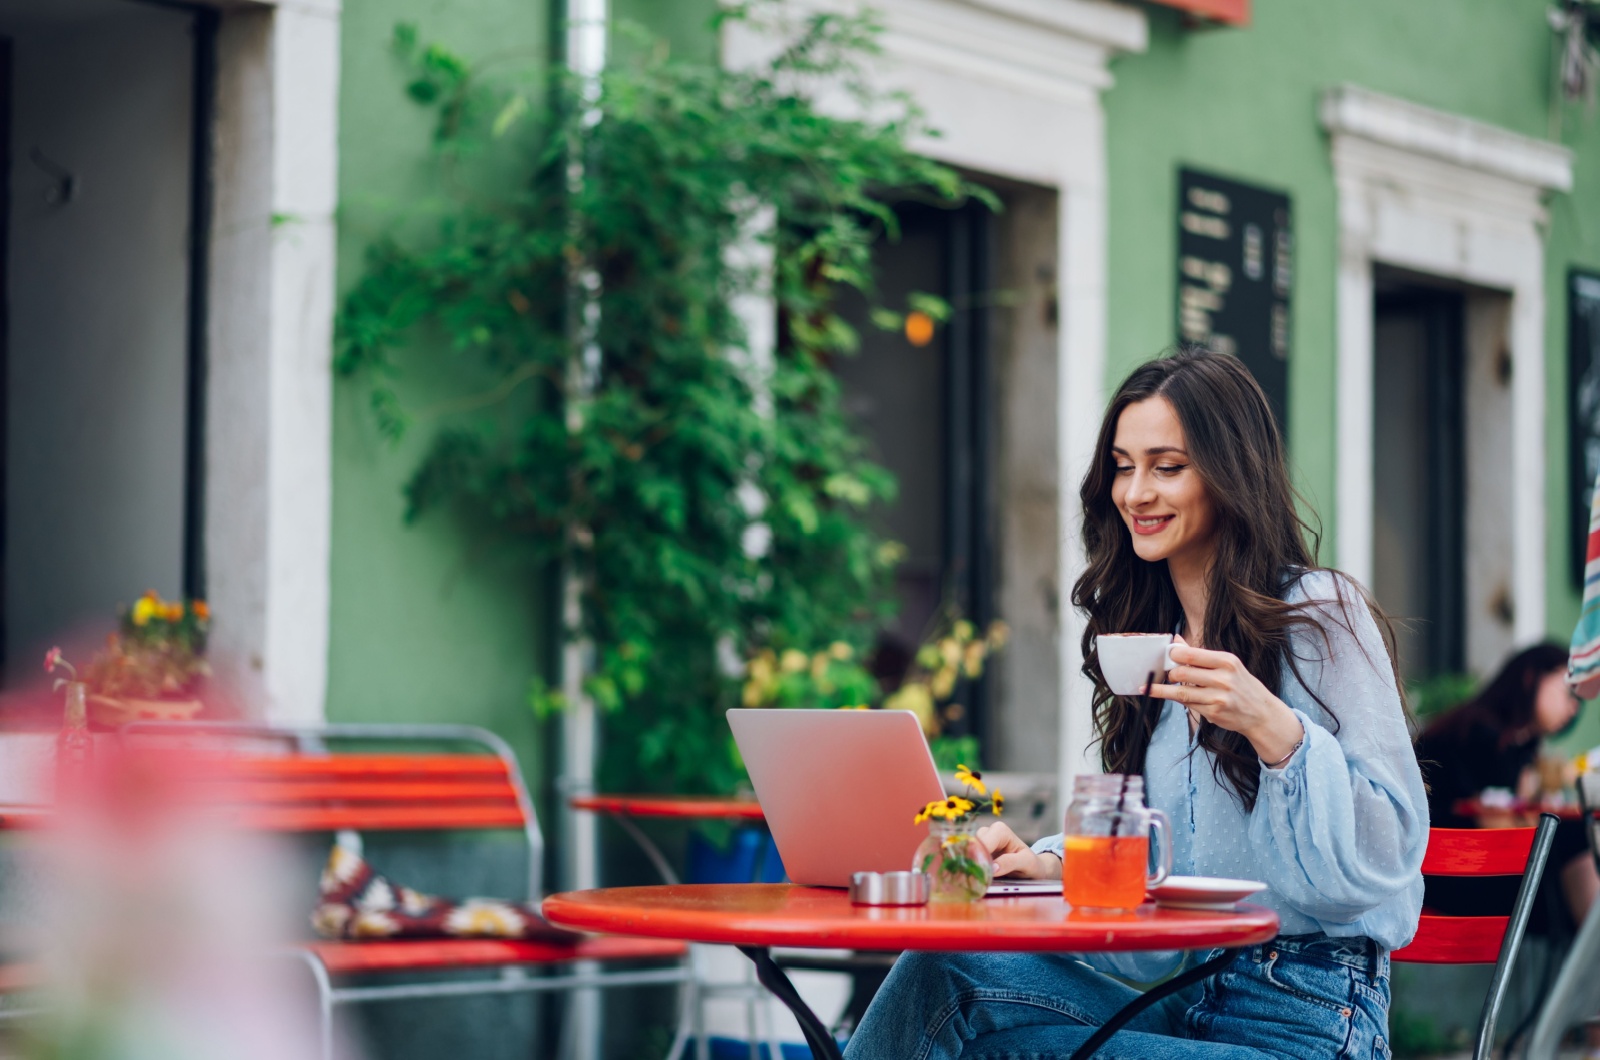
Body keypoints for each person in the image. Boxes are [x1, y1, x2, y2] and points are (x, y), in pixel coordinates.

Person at [843, 348, 1428, 1060]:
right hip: (1179, 1000)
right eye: (1123, 466)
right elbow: (1155, 871)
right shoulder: (1151, 646)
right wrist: (1049, 865)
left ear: (1230, 473)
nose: (1136, 493)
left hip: (1308, 1017)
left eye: (1167, 466)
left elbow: (1389, 852)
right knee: (941, 970)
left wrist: (1274, 728)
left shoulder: (1317, 613)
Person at [1414, 642, 1597, 944]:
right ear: (1530, 677)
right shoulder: (1480, 734)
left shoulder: (1506, 742)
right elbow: (1493, 822)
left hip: (1458, 869)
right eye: (1568, 690)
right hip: (1448, 873)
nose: (1574, 706)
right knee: (1576, 839)